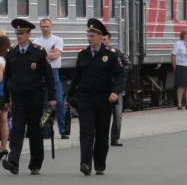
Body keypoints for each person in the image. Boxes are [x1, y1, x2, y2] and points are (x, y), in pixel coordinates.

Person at [67, 18, 126, 176]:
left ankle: (99, 164)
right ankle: (85, 163)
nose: (89, 38)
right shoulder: (83, 55)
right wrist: (70, 95)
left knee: (101, 133)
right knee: (86, 132)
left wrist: (116, 91)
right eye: (88, 35)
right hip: (85, 98)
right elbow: (76, 77)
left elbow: (121, 75)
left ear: (101, 37)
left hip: (104, 99)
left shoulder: (111, 55)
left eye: (92, 36)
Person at [2, 18, 56, 176]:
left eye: (22, 33)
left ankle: (35, 164)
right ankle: (13, 162)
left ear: (29, 33)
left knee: (35, 130)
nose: (19, 36)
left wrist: (52, 98)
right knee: (17, 129)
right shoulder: (11, 53)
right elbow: (7, 78)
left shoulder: (39, 52)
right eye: (17, 33)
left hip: (35, 97)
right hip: (18, 98)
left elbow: (49, 77)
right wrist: (6, 99)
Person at [33, 18, 67, 139]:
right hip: (40, 74)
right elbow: (35, 58)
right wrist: (48, 54)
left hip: (54, 72)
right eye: (43, 27)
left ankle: (63, 131)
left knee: (58, 101)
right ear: (40, 27)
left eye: (47, 26)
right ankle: (44, 129)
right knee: (43, 103)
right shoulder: (36, 41)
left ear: (51, 26)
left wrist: (42, 55)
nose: (45, 29)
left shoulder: (58, 40)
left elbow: (56, 55)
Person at [101, 32, 131, 147]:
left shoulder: (116, 52)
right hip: (103, 88)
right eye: (102, 39)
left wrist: (120, 72)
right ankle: (101, 138)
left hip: (116, 88)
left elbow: (128, 64)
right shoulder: (97, 53)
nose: (103, 41)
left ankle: (115, 138)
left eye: (105, 39)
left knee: (117, 115)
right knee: (103, 115)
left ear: (109, 40)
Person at [171, 30, 187, 110]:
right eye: (186, 35)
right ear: (182, 36)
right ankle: (179, 104)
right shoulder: (178, 44)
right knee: (181, 85)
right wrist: (175, 67)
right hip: (181, 66)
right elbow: (173, 55)